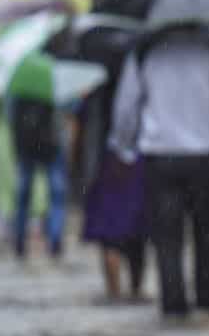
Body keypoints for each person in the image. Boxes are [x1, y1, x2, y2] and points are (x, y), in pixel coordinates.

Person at [109, 25, 209, 320]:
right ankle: (206, 304)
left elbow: (125, 108)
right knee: (207, 233)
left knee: (167, 236)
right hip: (207, 154)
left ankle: (173, 307)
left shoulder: (145, 52)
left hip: (160, 155)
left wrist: (123, 147)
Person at [79, 84, 147, 303]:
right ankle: (133, 290)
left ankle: (114, 292)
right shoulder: (140, 74)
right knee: (136, 231)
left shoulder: (95, 85)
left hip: (107, 161)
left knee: (110, 234)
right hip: (136, 157)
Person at [9, 94, 68, 259]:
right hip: (51, 142)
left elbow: (11, 116)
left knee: (24, 193)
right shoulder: (56, 86)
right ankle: (54, 239)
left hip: (28, 142)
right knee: (56, 193)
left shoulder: (20, 89)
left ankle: (20, 239)